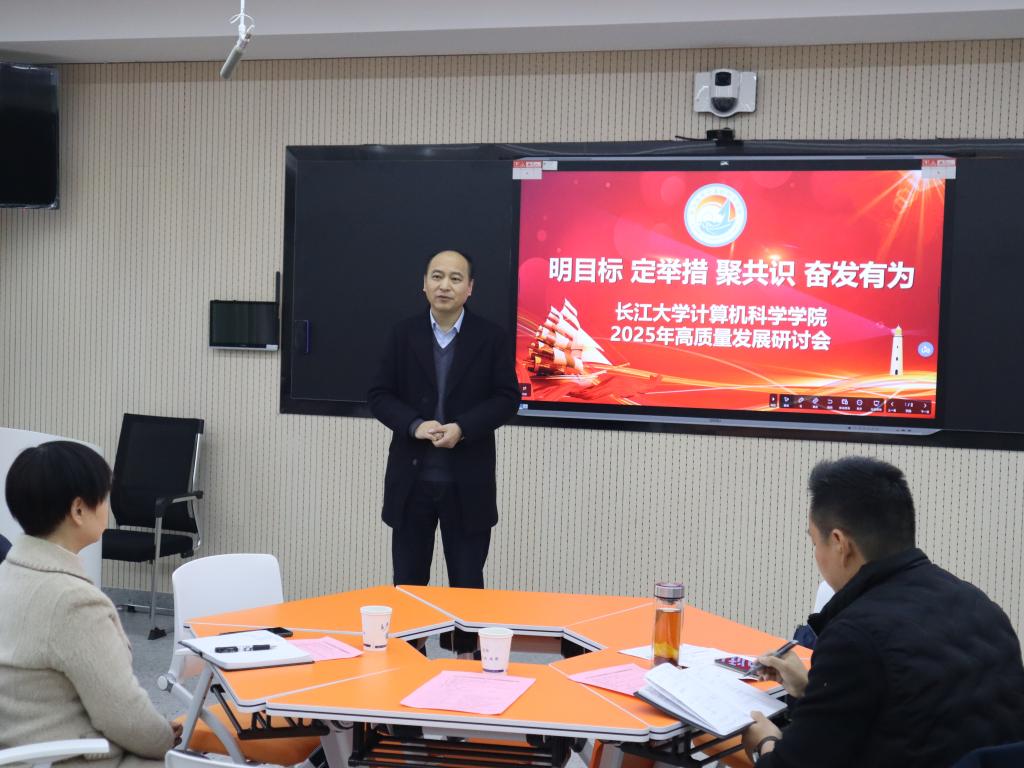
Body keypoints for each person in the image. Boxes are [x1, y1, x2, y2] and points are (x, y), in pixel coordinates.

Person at [742, 456, 1024, 767]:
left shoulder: (855, 636)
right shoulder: (981, 606)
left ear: (840, 543)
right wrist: (809, 690)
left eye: (814, 542)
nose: (816, 555)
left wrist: (765, 741)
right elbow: (912, 709)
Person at [368, 249, 520, 647]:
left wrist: (463, 428)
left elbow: (507, 398)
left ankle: (465, 670)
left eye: (455, 278)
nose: (444, 285)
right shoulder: (403, 335)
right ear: (424, 284)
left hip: (467, 484)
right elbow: (379, 395)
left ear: (470, 288)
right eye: (436, 276)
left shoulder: (490, 338)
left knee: (467, 589)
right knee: (408, 588)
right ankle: (407, 668)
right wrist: (414, 425)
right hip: (411, 483)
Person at [0, 441, 180, 768]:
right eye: (104, 497)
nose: (107, 508)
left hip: (24, 752)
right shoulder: (73, 602)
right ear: (79, 510)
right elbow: (125, 716)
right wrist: (170, 740)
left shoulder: (8, 573)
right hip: (72, 758)